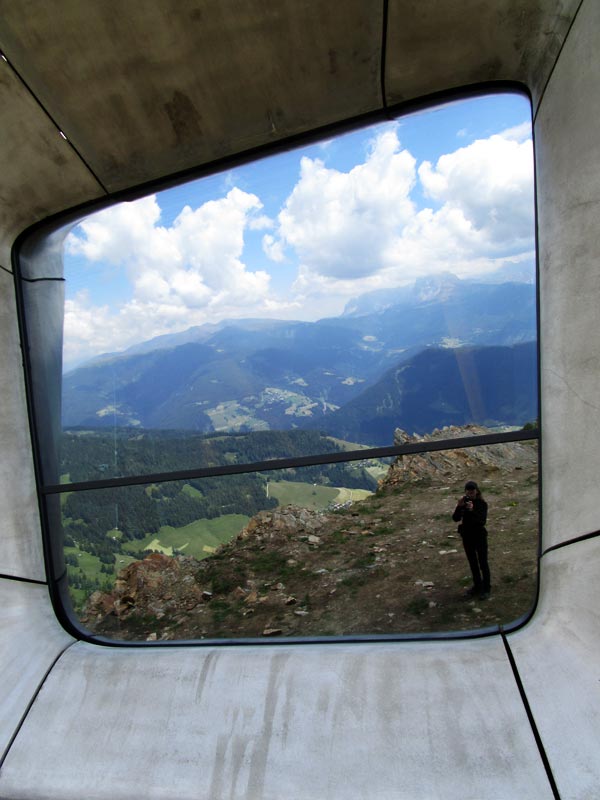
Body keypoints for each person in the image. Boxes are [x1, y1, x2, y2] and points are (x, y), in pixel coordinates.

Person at [452, 480, 490, 599]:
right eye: (468, 492)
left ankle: (486, 588)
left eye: (472, 492)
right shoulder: (464, 503)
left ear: (476, 491)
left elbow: (481, 521)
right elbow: (455, 518)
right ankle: (477, 586)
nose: (470, 494)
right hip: (467, 536)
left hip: (479, 536)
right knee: (473, 563)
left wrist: (472, 510)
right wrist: (459, 507)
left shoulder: (482, 504)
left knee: (483, 562)